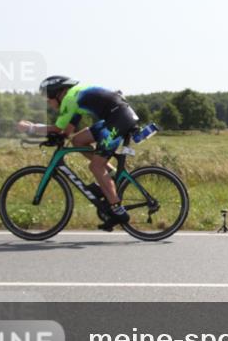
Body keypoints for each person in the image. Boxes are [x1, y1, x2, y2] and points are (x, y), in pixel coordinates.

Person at [16, 76, 139, 228]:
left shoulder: (69, 99)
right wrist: (55, 137)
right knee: (78, 141)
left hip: (118, 120)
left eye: (48, 98)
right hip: (115, 118)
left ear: (56, 93)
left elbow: (57, 128)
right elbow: (67, 132)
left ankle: (117, 211)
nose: (47, 102)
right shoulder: (75, 97)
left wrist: (31, 127)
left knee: (96, 167)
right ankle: (112, 175)